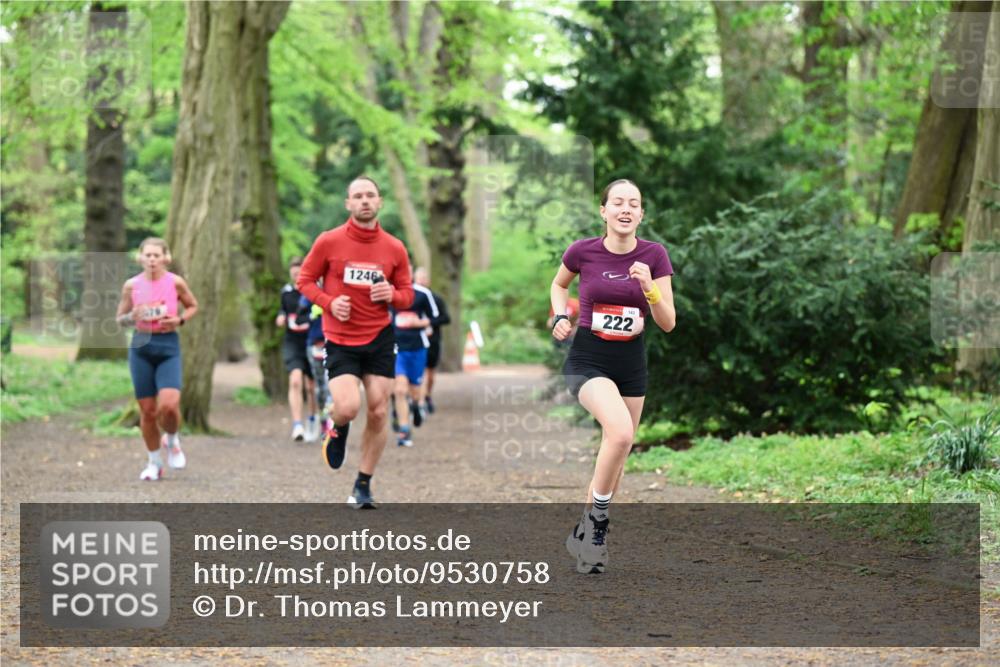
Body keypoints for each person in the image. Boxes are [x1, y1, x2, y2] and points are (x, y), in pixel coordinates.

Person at [550, 179, 676, 574]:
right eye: (617, 202)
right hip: (588, 358)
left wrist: (648, 288)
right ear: (603, 211)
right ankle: (600, 527)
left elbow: (668, 323)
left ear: (641, 214)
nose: (626, 209)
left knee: (618, 453)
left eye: (633, 203)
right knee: (620, 433)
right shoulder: (582, 251)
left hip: (631, 363)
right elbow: (559, 284)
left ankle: (584, 531)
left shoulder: (654, 256)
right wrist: (559, 315)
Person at [297, 175, 414, 509]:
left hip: (379, 336)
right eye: (358, 196)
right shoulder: (328, 242)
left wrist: (391, 293)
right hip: (340, 338)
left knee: (378, 410)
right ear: (348, 204)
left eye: (370, 195)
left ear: (379, 202)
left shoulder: (394, 248)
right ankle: (337, 424)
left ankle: (362, 484)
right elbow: (304, 279)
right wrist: (328, 302)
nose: (364, 201)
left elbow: (407, 296)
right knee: (348, 407)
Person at [115, 237, 199, 481]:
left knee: (169, 406)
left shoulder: (175, 283)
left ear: (166, 258)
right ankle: (154, 462)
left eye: (156, 255)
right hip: (141, 346)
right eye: (147, 255)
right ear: (140, 258)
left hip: (168, 344)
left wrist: (180, 320)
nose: (152, 260)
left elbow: (193, 306)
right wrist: (132, 315)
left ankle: (172, 440)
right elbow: (119, 319)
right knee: (148, 411)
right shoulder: (131, 286)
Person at [391, 269, 439, 447]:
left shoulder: (422, 294)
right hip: (397, 348)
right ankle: (404, 430)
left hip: (418, 347)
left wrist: (419, 323)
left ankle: (417, 406)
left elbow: (437, 317)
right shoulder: (389, 293)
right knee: (400, 390)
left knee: (415, 391)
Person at [276, 258, 318, 442]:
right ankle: (297, 425)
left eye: (299, 273)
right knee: (295, 380)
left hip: (311, 341)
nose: (296, 276)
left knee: (312, 386)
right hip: (292, 342)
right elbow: (282, 311)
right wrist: (281, 318)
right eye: (293, 273)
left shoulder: (313, 291)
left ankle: (313, 419)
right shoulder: (286, 293)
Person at [414, 267, 450, 414]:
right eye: (419, 278)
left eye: (424, 278)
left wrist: (428, 322)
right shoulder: (410, 298)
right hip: (416, 341)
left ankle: (427, 395)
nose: (422, 281)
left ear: (428, 281)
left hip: (433, 340)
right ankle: (419, 401)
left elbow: (446, 318)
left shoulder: (436, 299)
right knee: (419, 372)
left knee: (430, 374)